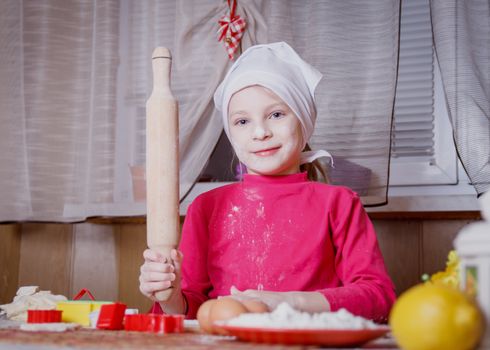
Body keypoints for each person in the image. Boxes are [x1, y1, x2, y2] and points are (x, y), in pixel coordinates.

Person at [139, 42, 396, 322]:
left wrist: (286, 302)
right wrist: (171, 296)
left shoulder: (339, 203)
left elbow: (378, 298)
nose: (260, 132)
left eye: (276, 115)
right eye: (242, 121)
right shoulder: (207, 207)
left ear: (303, 120)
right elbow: (186, 311)